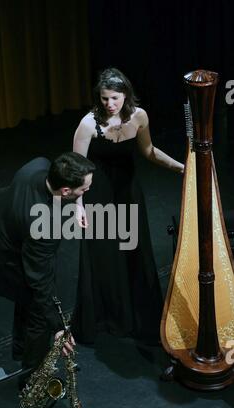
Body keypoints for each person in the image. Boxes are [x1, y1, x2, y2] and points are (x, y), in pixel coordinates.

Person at [72, 67, 184, 344]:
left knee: (133, 249)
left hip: (128, 191)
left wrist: (184, 168)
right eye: (104, 98)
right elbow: (76, 169)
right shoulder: (88, 124)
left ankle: (136, 314)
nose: (109, 104)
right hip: (99, 193)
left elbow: (149, 151)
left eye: (114, 98)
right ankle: (109, 315)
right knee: (105, 254)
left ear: (126, 95)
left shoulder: (139, 117)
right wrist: (78, 206)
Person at [0, 152, 95, 373]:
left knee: (26, 303)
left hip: (5, 244)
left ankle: (19, 349)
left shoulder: (38, 166)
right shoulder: (45, 226)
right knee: (39, 317)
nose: (87, 192)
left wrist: (77, 204)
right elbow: (40, 281)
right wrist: (58, 327)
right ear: (65, 191)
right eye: (83, 190)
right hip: (14, 263)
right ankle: (33, 378)